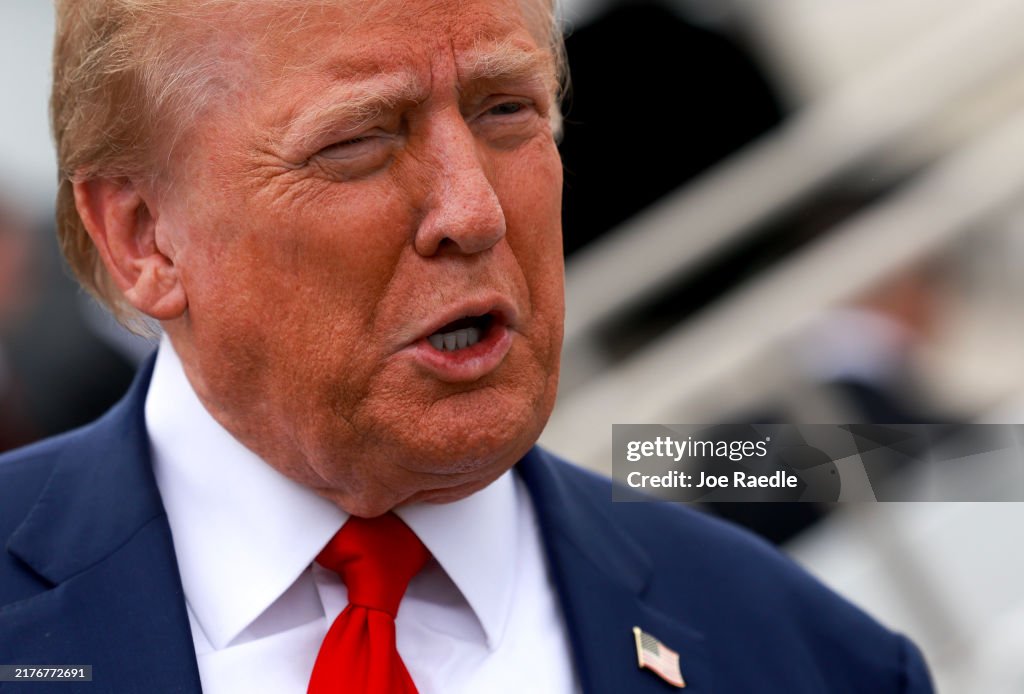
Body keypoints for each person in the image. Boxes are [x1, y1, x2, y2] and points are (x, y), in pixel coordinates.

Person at [0, 1, 933, 692]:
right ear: (143, 237)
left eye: (507, 112)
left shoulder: (814, 658)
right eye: (360, 140)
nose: (474, 210)